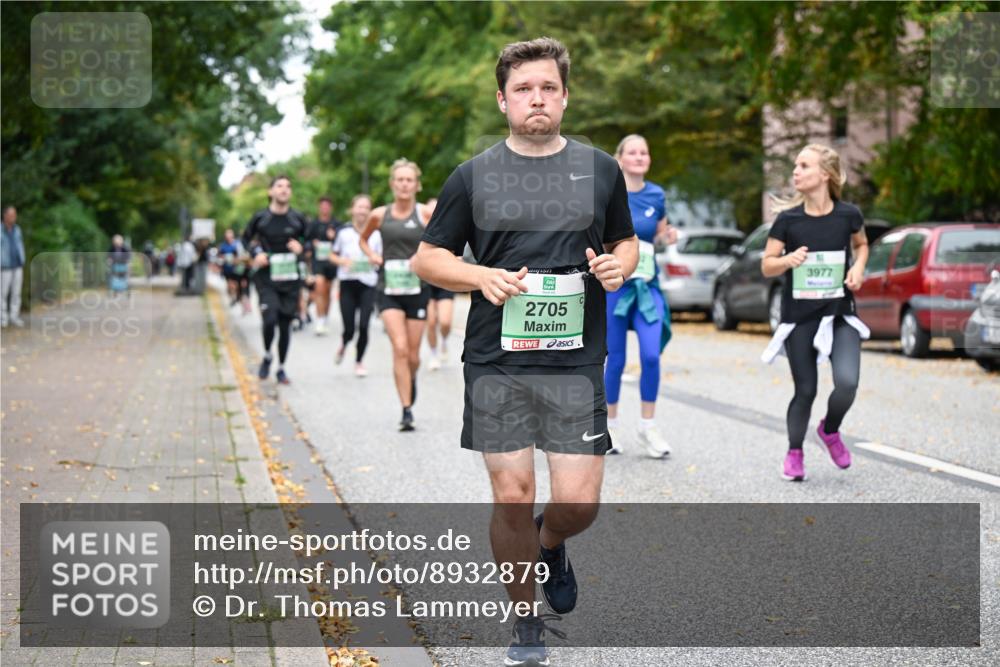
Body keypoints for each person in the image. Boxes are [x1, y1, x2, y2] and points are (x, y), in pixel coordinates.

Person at [412, 37, 637, 666]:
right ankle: (524, 619)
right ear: (502, 100)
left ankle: (550, 542)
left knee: (577, 504)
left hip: (575, 357)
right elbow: (428, 257)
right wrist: (478, 276)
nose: (535, 99)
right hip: (498, 358)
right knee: (511, 491)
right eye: (522, 89)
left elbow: (627, 241)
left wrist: (618, 267)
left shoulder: (599, 170)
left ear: (564, 96)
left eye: (546, 88)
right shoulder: (473, 175)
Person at [760, 143, 870, 482]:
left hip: (839, 313)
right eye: (795, 165)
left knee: (847, 383)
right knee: (805, 390)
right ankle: (794, 452)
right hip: (800, 318)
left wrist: (859, 269)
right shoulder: (787, 220)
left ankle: (830, 430)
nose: (796, 171)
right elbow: (766, 265)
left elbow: (861, 244)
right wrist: (787, 261)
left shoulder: (848, 214)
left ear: (825, 174)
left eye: (804, 166)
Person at [603, 135, 677, 458]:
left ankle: (648, 427)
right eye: (632, 152)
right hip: (616, 290)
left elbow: (658, 235)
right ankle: (610, 426)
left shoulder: (656, 194)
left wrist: (666, 237)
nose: (639, 157)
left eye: (644, 152)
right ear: (619, 159)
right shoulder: (609, 193)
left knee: (650, 355)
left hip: (647, 288)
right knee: (615, 359)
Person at [359, 159, 433, 431]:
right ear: (392, 184)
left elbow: (442, 242)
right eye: (399, 180)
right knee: (400, 348)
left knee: (413, 356)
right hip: (388, 289)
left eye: (409, 180)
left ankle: (409, 379)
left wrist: (422, 257)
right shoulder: (379, 215)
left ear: (416, 185)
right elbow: (363, 239)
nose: (404, 184)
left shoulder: (425, 214)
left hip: (417, 289)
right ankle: (406, 409)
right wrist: (373, 256)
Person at [242, 175, 309, 385]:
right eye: (279, 186)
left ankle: (280, 367)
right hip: (266, 278)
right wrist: (255, 253)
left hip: (290, 279)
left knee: (285, 324)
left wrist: (302, 248)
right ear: (270, 192)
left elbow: (310, 243)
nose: (284, 190)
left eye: (288, 186)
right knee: (269, 318)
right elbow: (245, 239)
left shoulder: (297, 218)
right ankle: (267, 355)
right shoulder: (260, 217)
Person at [330, 194, 378, 377]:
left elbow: (381, 257)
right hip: (348, 284)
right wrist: (343, 261)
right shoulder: (343, 233)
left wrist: (375, 259)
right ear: (352, 210)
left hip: (368, 284)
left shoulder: (376, 233)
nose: (363, 211)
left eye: (366, 207)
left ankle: (359, 361)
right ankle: (344, 343)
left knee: (364, 325)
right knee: (349, 328)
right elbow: (332, 255)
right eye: (359, 207)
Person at [422, 197, 455, 370]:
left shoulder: (449, 229)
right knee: (431, 321)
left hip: (444, 281)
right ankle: (433, 354)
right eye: (430, 210)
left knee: (445, 322)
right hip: (426, 282)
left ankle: (444, 340)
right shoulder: (419, 232)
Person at [309, 196, 340, 335]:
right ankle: (320, 320)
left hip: (332, 262)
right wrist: (312, 244)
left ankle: (325, 317)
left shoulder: (336, 224)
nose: (325, 208)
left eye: (328, 206)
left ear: (331, 208)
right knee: (319, 287)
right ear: (319, 207)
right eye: (323, 206)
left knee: (327, 291)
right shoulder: (313, 224)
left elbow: (342, 243)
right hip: (318, 261)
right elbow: (306, 241)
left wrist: (334, 237)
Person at [1, 206, 26, 328]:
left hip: (17, 265)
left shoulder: (17, 229)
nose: (13, 217)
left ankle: (14, 317)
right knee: (2, 293)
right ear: (4, 216)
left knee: (16, 293)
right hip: (4, 266)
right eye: (11, 215)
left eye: (14, 215)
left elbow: (20, 245)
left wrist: (23, 259)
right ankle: (3, 318)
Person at [218, 228, 250, 313]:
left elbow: (243, 255)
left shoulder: (237, 244)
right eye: (227, 235)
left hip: (236, 269)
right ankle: (233, 297)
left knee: (237, 285)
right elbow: (219, 256)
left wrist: (237, 260)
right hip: (227, 269)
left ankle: (239, 299)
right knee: (229, 285)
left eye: (230, 235)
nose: (228, 237)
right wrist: (223, 259)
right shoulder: (223, 246)